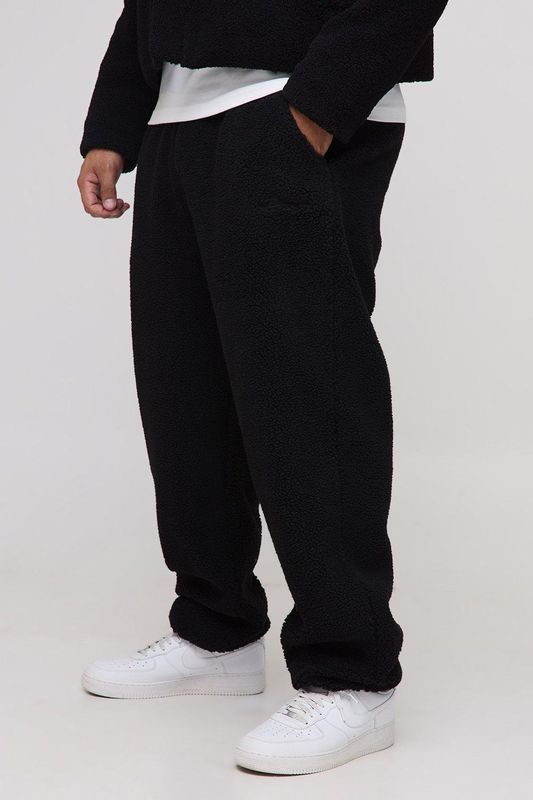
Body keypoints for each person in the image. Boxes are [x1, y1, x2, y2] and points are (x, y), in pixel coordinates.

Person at [77, 0, 448, 775]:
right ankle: (216, 628)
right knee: (186, 389)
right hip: (177, 117)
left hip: (288, 105)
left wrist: (316, 108)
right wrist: (114, 123)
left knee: (308, 390)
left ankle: (352, 672)